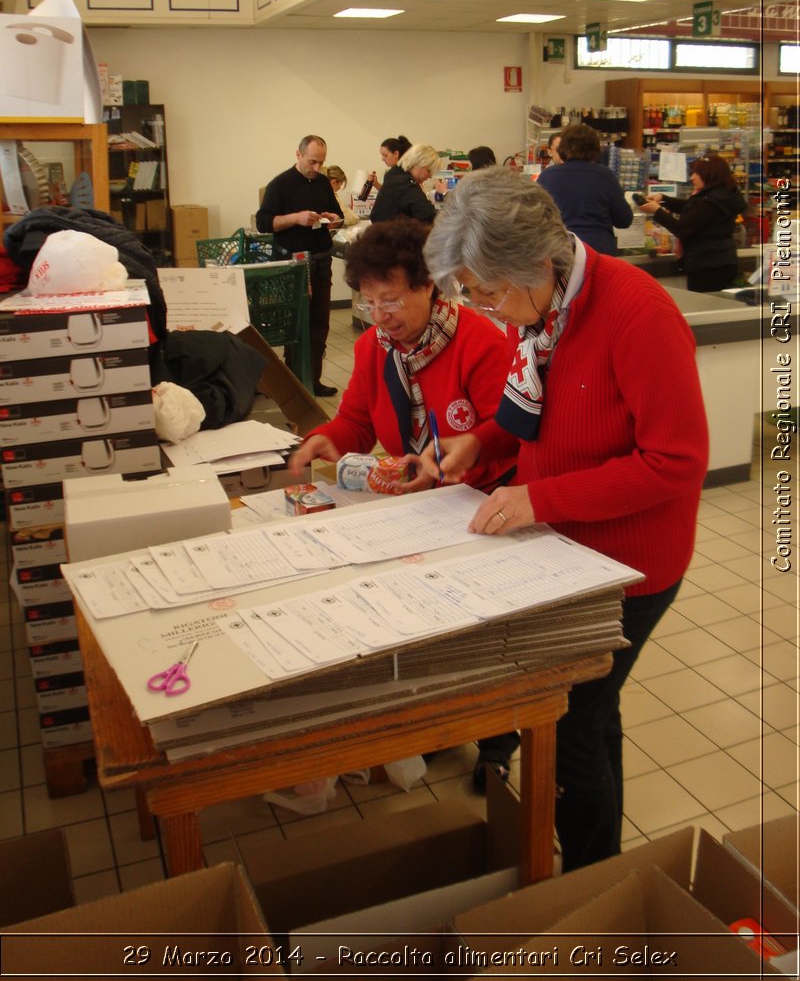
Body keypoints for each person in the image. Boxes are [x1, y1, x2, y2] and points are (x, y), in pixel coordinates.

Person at [414, 169, 709, 871]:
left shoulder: (637, 313)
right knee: (592, 714)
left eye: (488, 292)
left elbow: (676, 461)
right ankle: (599, 867)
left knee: (570, 723)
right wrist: (480, 443)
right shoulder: (543, 307)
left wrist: (540, 500)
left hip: (631, 564)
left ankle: (588, 882)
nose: (483, 308)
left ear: (538, 264)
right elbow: (530, 412)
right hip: (569, 551)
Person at [289, 216, 519, 789]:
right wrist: (329, 439)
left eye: (391, 300)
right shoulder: (375, 349)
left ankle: (498, 741)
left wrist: (465, 454)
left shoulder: (481, 341)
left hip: (485, 505)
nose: (379, 315)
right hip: (420, 508)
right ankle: (443, 727)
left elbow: (512, 431)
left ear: (431, 285)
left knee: (486, 634)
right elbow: (358, 420)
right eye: (368, 303)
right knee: (434, 632)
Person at [256, 135, 343, 397]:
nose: (317, 168)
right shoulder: (280, 184)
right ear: (298, 155)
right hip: (291, 264)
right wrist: (296, 218)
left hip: (320, 260)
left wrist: (332, 218)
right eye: (312, 162)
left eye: (321, 163)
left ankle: (313, 380)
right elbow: (264, 223)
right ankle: (294, 382)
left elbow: (336, 214)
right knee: (295, 325)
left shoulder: (323, 183)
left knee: (319, 324)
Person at [640, 154, 747, 292]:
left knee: (705, 307)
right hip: (720, 262)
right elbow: (693, 208)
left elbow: (682, 229)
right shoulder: (720, 194)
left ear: (709, 175)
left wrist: (657, 211)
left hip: (708, 267)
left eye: (697, 173)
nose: (692, 177)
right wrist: (663, 199)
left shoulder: (710, 202)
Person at [538, 122, 632, 255]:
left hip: (563, 251)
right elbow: (624, 220)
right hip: (600, 252)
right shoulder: (605, 175)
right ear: (595, 148)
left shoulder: (547, 176)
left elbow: (538, 219)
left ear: (562, 148)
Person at [370, 143, 438, 225]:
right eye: (429, 170)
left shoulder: (393, 174)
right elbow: (428, 215)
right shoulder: (406, 184)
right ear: (419, 164)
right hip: (395, 235)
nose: (430, 176)